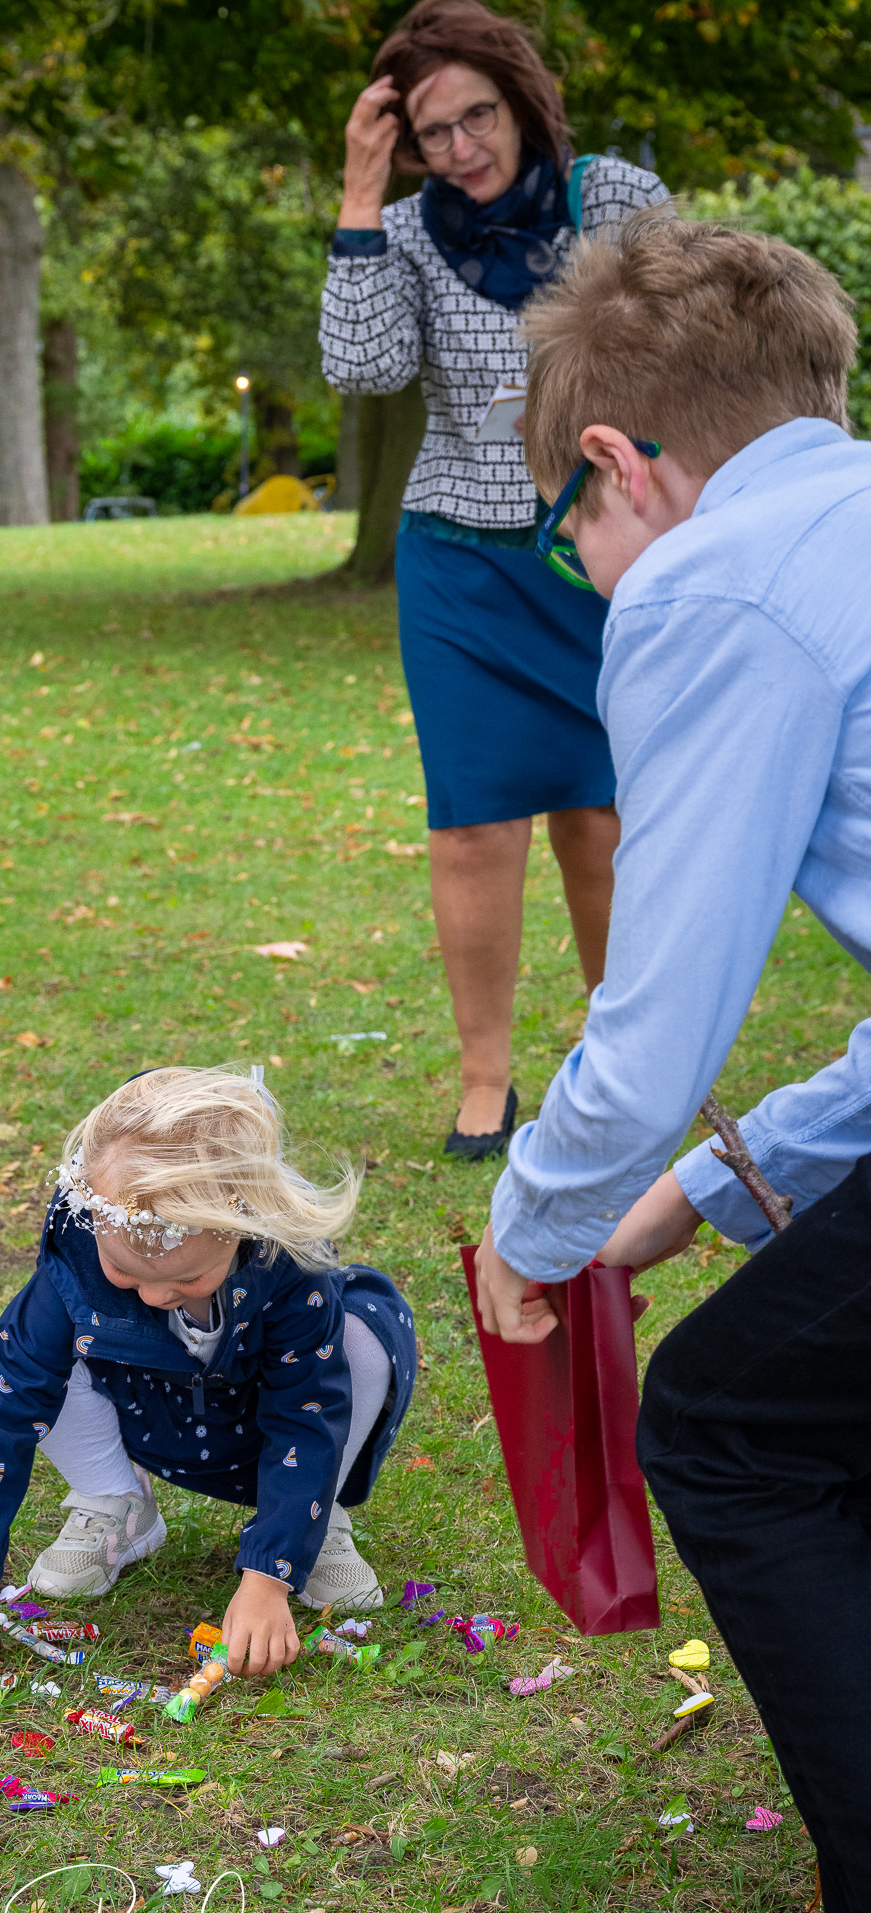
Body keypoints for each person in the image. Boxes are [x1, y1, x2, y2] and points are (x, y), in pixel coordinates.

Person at [473, 212, 871, 1913]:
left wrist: (532, 1225)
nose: (583, 559)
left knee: (734, 1426)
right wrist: (726, 1181)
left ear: (624, 464)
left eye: (574, 521)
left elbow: (651, 1026)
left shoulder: (713, 582)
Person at [319, 0, 667, 1160]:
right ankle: (486, 1078)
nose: (464, 148)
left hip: (604, 557)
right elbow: (362, 369)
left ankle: (629, 1063)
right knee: (474, 827)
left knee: (602, 816)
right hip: (461, 562)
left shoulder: (609, 199)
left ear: (523, 102)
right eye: (433, 132)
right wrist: (363, 201)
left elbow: (693, 333)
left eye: (480, 116)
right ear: (405, 143)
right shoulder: (412, 231)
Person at [0, 1066, 418, 1689]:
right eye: (124, 1272)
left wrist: (268, 1579)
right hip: (145, 1411)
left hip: (257, 1429)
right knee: (43, 1353)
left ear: (242, 1229)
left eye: (186, 1282)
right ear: (93, 1217)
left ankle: (313, 1522)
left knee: (364, 1339)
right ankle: (115, 1500)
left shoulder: (288, 1269)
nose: (154, 1296)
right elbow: (1, 1402)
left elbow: (307, 1415)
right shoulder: (75, 1251)